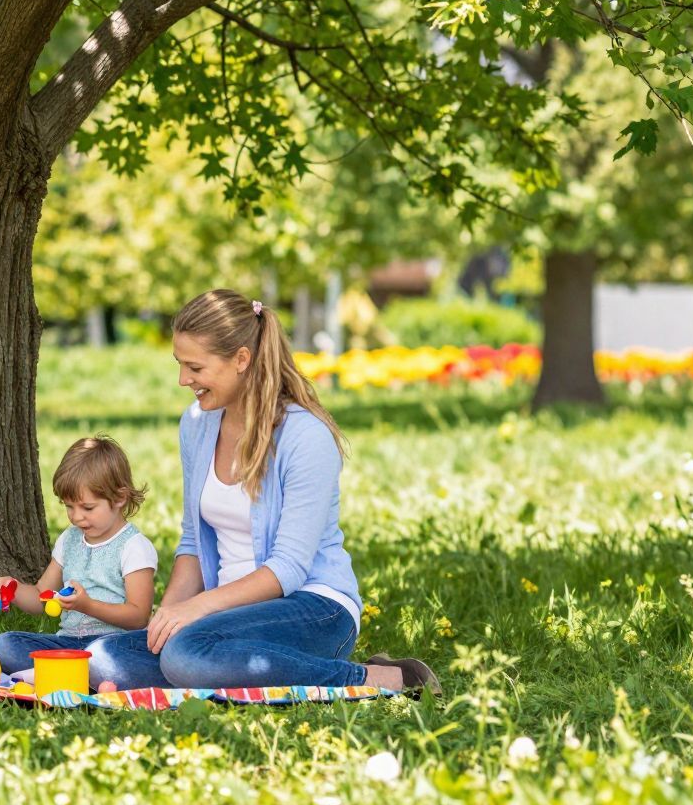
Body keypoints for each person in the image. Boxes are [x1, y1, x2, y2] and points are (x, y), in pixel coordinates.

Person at [81, 290, 437, 694]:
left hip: (313, 609)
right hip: (223, 617)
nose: (183, 380)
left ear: (241, 359)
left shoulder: (305, 437)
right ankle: (206, 664)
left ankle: (381, 677)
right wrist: (167, 617)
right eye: (180, 365)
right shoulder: (197, 424)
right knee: (91, 660)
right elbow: (193, 543)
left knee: (183, 656)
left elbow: (287, 568)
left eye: (195, 367)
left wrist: (194, 610)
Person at [0, 436, 157, 679]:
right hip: (67, 645)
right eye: (68, 506)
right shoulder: (69, 539)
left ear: (119, 498)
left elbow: (138, 616)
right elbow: (40, 598)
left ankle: (55, 674)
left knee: (102, 658)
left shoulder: (133, 546)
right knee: (4, 645)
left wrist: (87, 606)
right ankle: (70, 673)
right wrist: (12, 588)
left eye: (87, 508)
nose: (76, 517)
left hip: (114, 644)